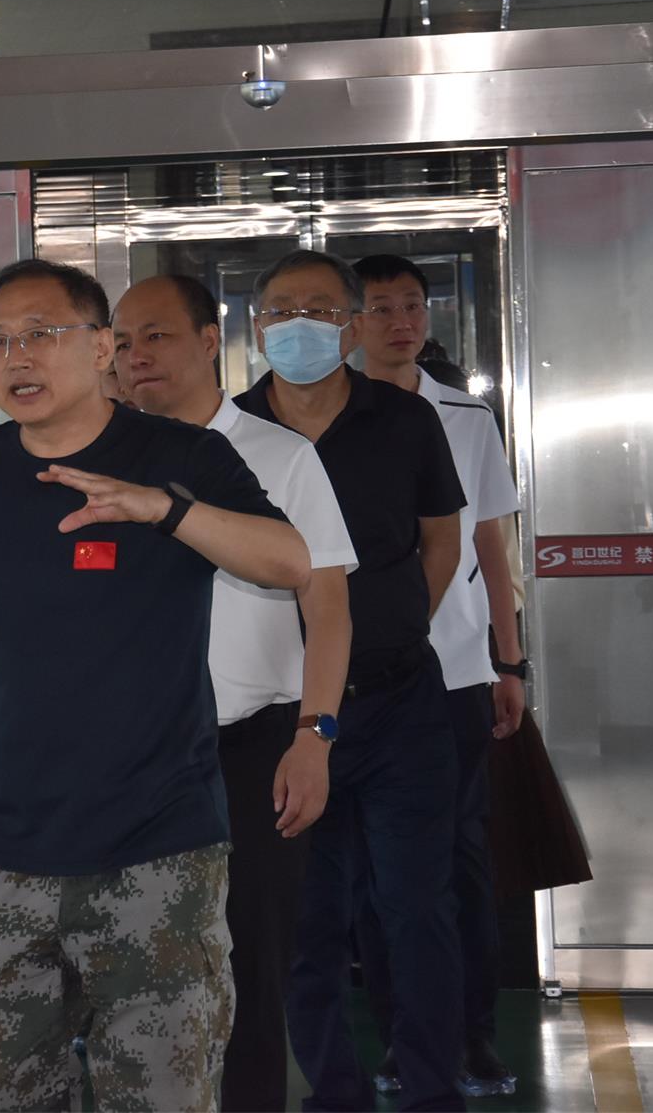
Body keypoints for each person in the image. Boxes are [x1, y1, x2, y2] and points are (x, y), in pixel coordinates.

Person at [0, 259, 311, 1113]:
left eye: (40, 334)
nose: (16, 356)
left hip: (158, 850)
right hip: (1, 848)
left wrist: (165, 510)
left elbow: (290, 562)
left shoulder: (182, 454)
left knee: (160, 1093)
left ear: (99, 349)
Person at [113, 275, 357, 1113]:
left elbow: (328, 607)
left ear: (210, 340)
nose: (136, 357)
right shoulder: (102, 460)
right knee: (132, 980)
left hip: (251, 749)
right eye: (121, 342)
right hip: (129, 756)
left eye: (156, 336)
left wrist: (314, 735)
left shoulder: (280, 455)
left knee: (251, 971)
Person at [234, 249, 469, 1113]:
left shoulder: (405, 420)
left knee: (418, 911)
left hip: (401, 702)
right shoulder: (229, 432)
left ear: (352, 326)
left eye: (322, 310)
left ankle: (434, 1091)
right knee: (308, 921)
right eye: (282, 310)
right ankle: (334, 1095)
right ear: (256, 327)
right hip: (287, 717)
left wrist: (398, 624)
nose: (300, 325)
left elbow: (441, 539)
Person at [354, 253, 526, 1099]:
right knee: (375, 871)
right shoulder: (322, 415)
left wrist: (509, 660)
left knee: (458, 859)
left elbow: (491, 549)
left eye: (412, 306)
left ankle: (473, 1033)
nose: (401, 322)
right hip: (356, 675)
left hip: (454, 671)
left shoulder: (465, 416)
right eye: (382, 307)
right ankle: (401, 1035)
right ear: (353, 322)